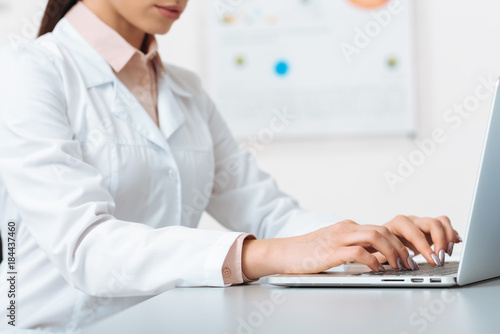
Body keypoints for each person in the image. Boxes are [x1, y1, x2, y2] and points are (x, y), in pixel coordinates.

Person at [0, 0, 461, 331]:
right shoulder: (30, 72)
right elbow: (86, 248)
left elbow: (269, 214)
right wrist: (262, 255)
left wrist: (370, 241)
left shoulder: (186, 89)